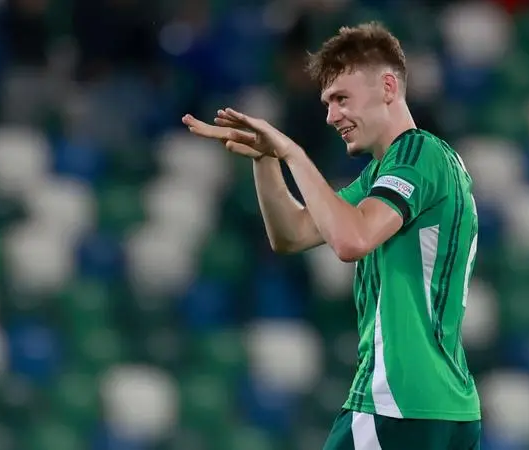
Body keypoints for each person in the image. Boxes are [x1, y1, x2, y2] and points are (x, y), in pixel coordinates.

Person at [182, 22, 481, 450]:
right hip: (447, 409)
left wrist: (293, 152)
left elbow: (351, 240)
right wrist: (266, 160)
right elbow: (293, 235)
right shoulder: (388, 172)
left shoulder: (417, 153)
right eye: (327, 103)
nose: (331, 116)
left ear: (388, 87)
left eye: (342, 98)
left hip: (399, 403)